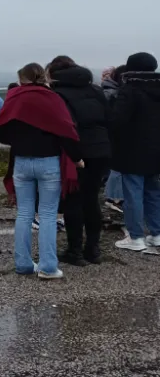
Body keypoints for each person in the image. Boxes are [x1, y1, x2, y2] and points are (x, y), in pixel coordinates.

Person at [0, 63, 83, 280]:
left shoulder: (14, 97)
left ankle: (23, 263)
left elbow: (2, 134)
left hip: (21, 162)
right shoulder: (52, 98)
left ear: (21, 78)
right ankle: (47, 267)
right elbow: (67, 130)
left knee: (24, 213)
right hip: (49, 162)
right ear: (43, 76)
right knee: (47, 214)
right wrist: (76, 157)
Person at [47, 55, 111, 265]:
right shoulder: (95, 90)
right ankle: (93, 249)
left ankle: (74, 250)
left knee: (73, 200)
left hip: (77, 152)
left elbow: (66, 127)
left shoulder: (57, 94)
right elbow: (109, 118)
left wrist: (74, 155)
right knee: (92, 199)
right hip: (102, 150)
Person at [110, 52, 160, 251]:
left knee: (133, 194)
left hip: (132, 151)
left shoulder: (130, 90)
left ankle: (136, 237)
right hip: (156, 152)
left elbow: (117, 121)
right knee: (154, 193)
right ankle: (156, 234)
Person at [101, 66, 125, 212]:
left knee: (116, 167)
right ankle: (114, 197)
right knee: (117, 167)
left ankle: (114, 196)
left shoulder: (106, 92)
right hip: (113, 135)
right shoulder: (113, 94)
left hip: (111, 135)